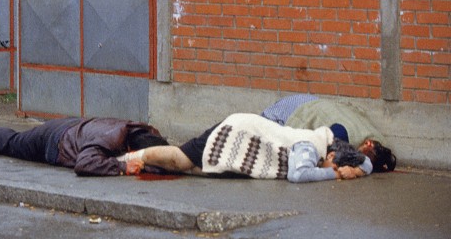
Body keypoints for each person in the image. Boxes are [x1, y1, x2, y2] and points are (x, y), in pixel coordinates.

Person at [133, 113, 372, 183]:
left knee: (189, 168)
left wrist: (359, 170)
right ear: (331, 154)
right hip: (238, 133)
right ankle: (126, 157)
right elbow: (297, 174)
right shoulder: (310, 148)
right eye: (335, 163)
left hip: (242, 139)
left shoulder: (326, 147)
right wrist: (334, 173)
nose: (333, 167)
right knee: (180, 160)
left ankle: (136, 156)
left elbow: (365, 161)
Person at [0, 116, 170, 176]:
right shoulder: (111, 140)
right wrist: (122, 167)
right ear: (133, 151)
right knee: (14, 143)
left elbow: (161, 156)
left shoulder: (144, 132)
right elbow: (84, 164)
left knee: (18, 140)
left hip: (73, 126)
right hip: (54, 140)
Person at [261, 94, 396, 172]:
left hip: (312, 100)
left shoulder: (379, 141)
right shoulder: (340, 135)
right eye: (361, 155)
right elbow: (324, 162)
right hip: (293, 110)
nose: (358, 158)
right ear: (368, 143)